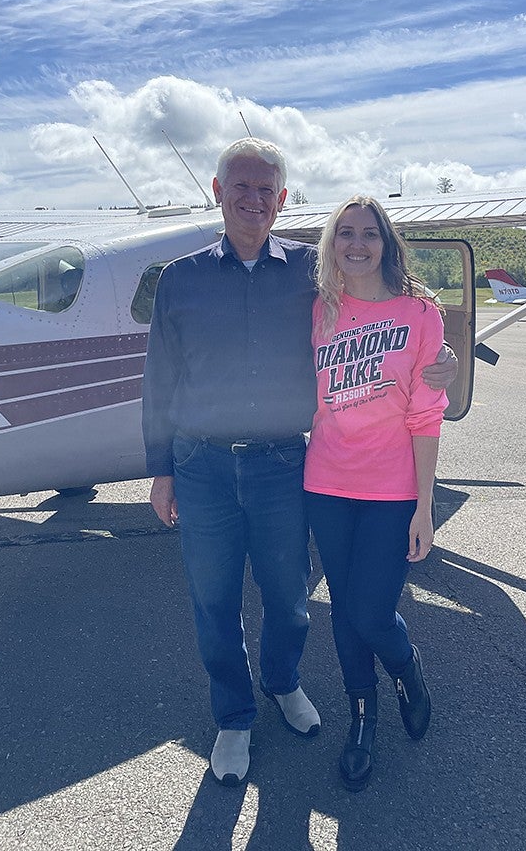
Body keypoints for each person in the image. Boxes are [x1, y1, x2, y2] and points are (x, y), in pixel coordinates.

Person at [141, 139, 457, 787]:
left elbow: (390, 305)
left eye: (267, 191)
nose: (253, 201)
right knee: (214, 601)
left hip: (284, 466)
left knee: (290, 601)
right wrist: (162, 467)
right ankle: (233, 717)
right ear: (217, 191)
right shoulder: (182, 278)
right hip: (201, 466)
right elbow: (160, 377)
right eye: (241, 188)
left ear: (283, 201)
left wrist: (443, 362)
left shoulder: (309, 276)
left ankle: (282, 683)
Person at [304, 195, 449, 792]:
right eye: (345, 233)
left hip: (391, 490)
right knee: (344, 609)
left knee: (371, 611)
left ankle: (406, 667)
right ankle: (361, 715)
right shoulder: (319, 308)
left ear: (387, 242)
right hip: (326, 481)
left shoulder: (421, 313)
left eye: (369, 233)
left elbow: (427, 412)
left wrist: (424, 505)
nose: (356, 244)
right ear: (331, 245)